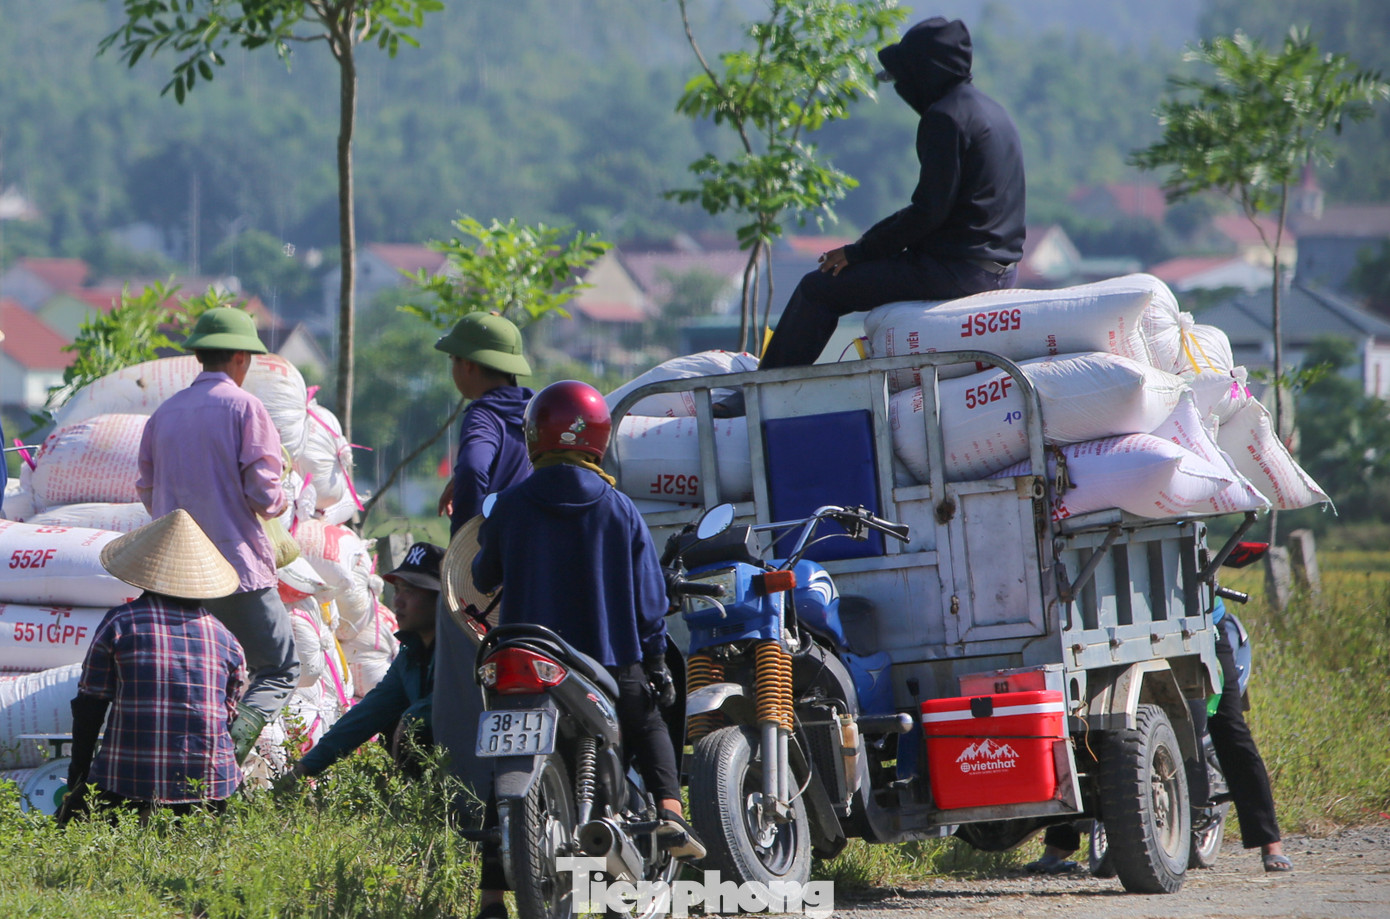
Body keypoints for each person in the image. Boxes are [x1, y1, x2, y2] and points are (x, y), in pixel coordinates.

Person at [469, 381, 703, 919]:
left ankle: (490, 897)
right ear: (598, 437)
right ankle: (670, 811)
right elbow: (650, 604)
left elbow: (481, 577)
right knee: (648, 713)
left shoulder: (512, 504)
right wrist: (652, 660)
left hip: (530, 657)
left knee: (506, 757)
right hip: (608, 662)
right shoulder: (619, 508)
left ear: (534, 437)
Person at [758, 16, 1026, 370]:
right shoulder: (992, 111)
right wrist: (867, 249)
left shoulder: (945, 118)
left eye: (904, 77)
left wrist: (860, 252)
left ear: (923, 73)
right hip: (1001, 271)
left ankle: (766, 388)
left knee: (818, 287)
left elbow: (928, 211)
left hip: (958, 273)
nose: (902, 88)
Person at [136, 306, 298, 763]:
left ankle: (185, 766)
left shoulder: (164, 414)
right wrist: (283, 501)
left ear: (199, 356)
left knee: (196, 675)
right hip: (235, 568)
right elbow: (264, 495)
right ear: (241, 358)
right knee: (279, 668)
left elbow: (147, 490)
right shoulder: (245, 408)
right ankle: (223, 758)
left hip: (173, 575)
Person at [1027, 598, 1292, 874]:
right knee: (1078, 727)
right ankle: (1057, 846)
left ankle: (1270, 842)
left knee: (1231, 731)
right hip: (1106, 633)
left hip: (1201, 628)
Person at [59, 509, 247, 823]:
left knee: (71, 827)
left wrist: (79, 774)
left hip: (129, 780)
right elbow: (226, 715)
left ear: (146, 572)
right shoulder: (226, 638)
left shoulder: (121, 622)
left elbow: (91, 704)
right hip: (210, 786)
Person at [430, 311, 535, 806]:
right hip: (535, 570)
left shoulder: (483, 415)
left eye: (454, 361)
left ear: (469, 365)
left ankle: (468, 802)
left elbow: (474, 468)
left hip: (485, 575)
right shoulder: (536, 411)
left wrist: (466, 542)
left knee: (464, 691)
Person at [284, 542, 444, 781]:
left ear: (441, 598)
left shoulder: (462, 651)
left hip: (468, 769)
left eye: (410, 592)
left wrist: (413, 718)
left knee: (412, 720)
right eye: (398, 590)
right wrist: (304, 769)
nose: (398, 601)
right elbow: (370, 712)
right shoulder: (411, 654)